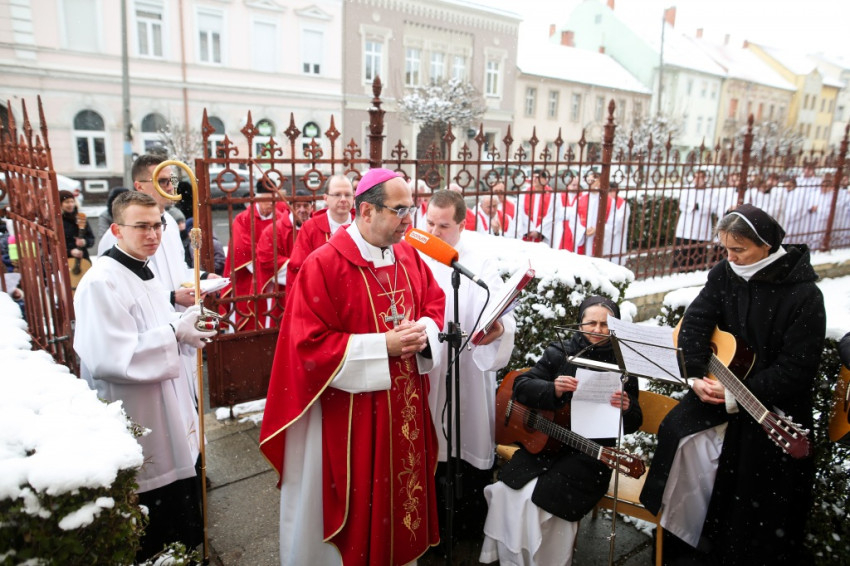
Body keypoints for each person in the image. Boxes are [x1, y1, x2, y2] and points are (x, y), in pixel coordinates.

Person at [259, 167, 447, 566]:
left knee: (401, 497)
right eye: (399, 210)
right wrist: (383, 346)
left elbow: (433, 304)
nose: (408, 220)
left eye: (411, 209)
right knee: (361, 500)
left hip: (404, 408)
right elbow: (307, 346)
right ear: (366, 211)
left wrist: (424, 332)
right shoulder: (324, 265)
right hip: (350, 415)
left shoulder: (408, 255)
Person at [640, 204, 825, 565]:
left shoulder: (805, 296)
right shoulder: (724, 273)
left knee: (750, 489)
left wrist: (739, 394)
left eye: (739, 249)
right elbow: (695, 323)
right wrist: (695, 375)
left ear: (767, 244)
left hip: (770, 406)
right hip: (716, 388)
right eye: (724, 248)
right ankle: (679, 547)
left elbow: (797, 369)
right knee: (676, 433)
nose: (730, 257)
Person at [74, 191, 216, 561]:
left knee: (181, 499)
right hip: (140, 410)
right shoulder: (102, 282)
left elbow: (157, 325)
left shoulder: (142, 268)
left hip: (166, 401)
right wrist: (174, 333)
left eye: (157, 226)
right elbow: (109, 356)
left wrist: (187, 325)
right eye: (141, 226)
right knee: (156, 508)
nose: (152, 234)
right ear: (117, 230)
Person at [480, 295, 642, 565]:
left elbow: (635, 422)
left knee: (546, 501)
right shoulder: (561, 351)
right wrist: (552, 389)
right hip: (547, 445)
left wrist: (628, 408)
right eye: (591, 322)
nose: (598, 329)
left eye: (605, 324)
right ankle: (512, 557)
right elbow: (521, 386)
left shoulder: (623, 363)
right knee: (509, 490)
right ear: (579, 323)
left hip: (590, 455)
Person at [420, 189, 516, 545]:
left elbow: (500, 310)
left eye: (443, 226)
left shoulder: (480, 262)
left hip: (468, 370)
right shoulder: (413, 254)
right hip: (429, 367)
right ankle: (429, 526)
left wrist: (499, 328)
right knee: (429, 443)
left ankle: (464, 526)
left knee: (465, 440)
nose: (434, 232)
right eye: (429, 223)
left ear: (462, 224)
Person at [221, 179, 280, 330]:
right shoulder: (243, 219)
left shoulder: (280, 218)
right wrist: (266, 266)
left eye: (273, 199)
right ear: (257, 199)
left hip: (275, 279)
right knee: (248, 322)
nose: (271, 204)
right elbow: (243, 250)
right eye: (266, 200)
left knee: (273, 320)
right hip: (248, 277)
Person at [285, 174, 354, 291]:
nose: (343, 199)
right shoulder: (310, 228)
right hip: (321, 291)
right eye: (337, 194)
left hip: (355, 291)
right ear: (325, 198)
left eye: (347, 194)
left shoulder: (362, 225)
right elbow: (299, 267)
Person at [672, 169, 718, 271]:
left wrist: (698, 206)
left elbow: (713, 206)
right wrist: (692, 206)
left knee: (699, 249)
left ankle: (696, 269)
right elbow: (682, 203)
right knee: (683, 249)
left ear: (704, 178)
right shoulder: (687, 189)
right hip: (686, 224)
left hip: (701, 225)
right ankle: (680, 268)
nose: (697, 180)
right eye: (695, 177)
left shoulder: (710, 191)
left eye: (700, 177)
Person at [513, 168, 557, 243]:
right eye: (533, 177)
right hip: (527, 233)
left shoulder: (552, 195)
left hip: (543, 236)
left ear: (545, 180)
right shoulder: (524, 193)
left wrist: (539, 231)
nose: (534, 179)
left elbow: (552, 215)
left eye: (537, 177)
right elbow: (520, 212)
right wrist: (529, 229)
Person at [59, 190, 94, 261]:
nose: (71, 205)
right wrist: (69, 252)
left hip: (83, 260)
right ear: (60, 204)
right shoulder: (57, 221)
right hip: (65, 261)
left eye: (72, 201)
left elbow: (91, 239)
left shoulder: (80, 218)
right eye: (67, 202)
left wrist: (84, 242)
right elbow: (53, 246)